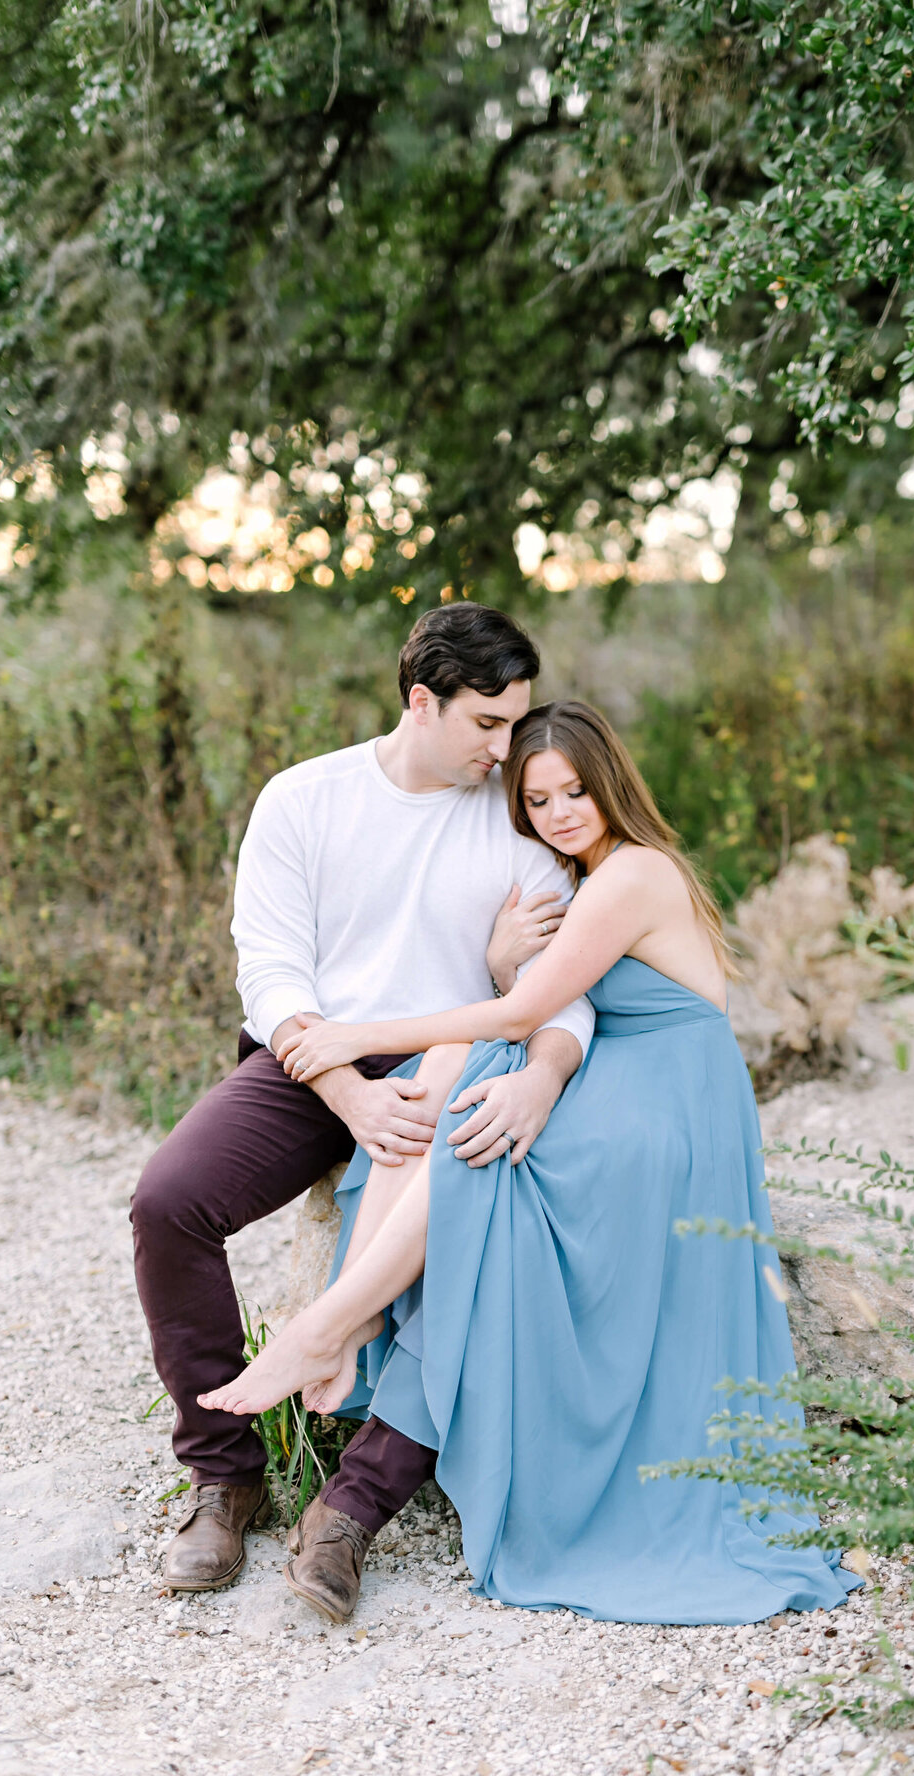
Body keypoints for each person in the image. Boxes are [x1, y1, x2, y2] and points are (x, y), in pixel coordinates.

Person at [199, 700, 860, 1625]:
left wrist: (355, 1034)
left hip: (672, 1101)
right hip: (629, 1074)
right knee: (460, 1089)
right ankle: (345, 1335)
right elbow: (533, 1000)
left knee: (482, 1132)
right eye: (538, 798)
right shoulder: (579, 878)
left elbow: (522, 1014)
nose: (558, 813)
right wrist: (500, 968)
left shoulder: (632, 873)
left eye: (576, 792)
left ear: (612, 785)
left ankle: (335, 1323)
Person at [130, 605, 594, 1616]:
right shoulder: (305, 800)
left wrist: (532, 1065)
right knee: (168, 1201)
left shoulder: (517, 820)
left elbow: (565, 991)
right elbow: (272, 971)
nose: (505, 748)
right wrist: (348, 1092)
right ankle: (224, 1473)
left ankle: (352, 1508)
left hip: (450, 1064)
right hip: (313, 1065)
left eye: (515, 723)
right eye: (485, 724)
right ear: (421, 702)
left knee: (478, 1243)